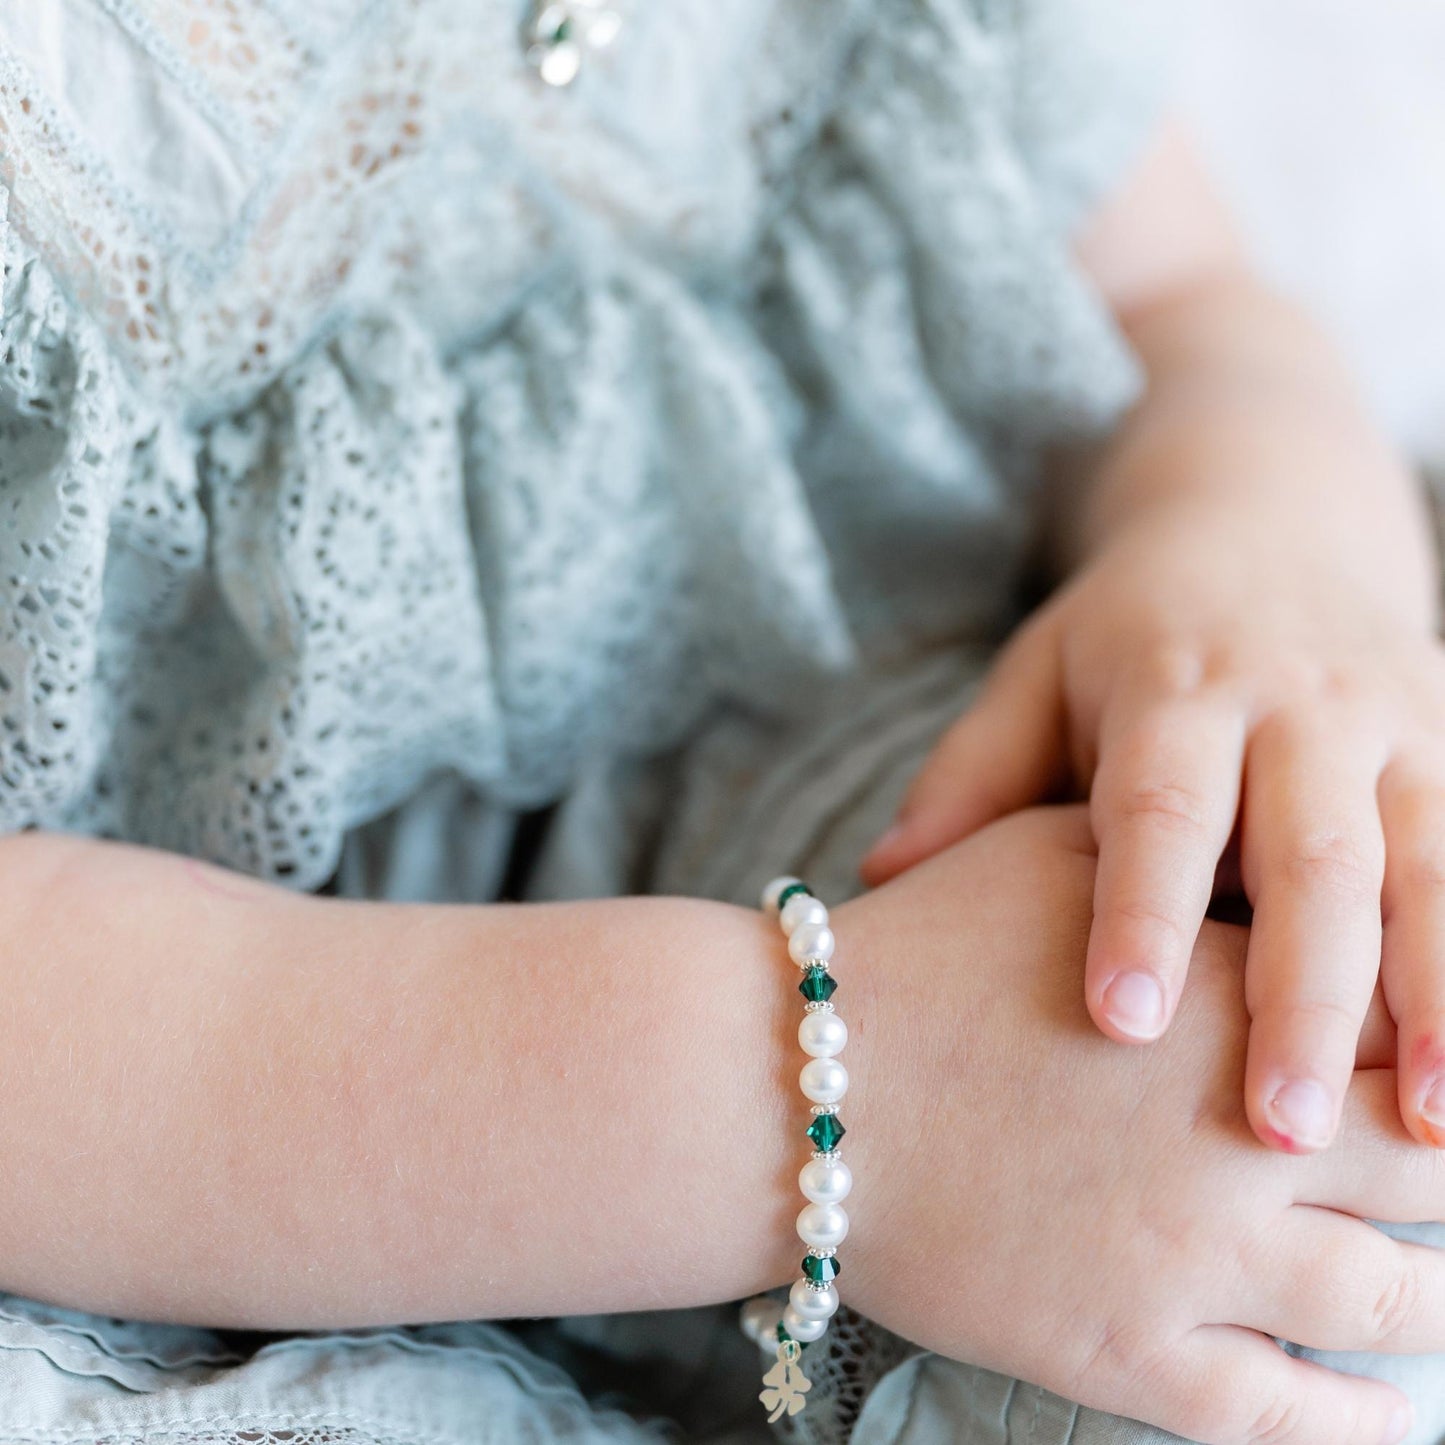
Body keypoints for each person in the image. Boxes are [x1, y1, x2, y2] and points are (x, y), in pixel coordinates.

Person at [0, 3, 1442, 1444]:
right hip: (183, 1125)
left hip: (919, 761)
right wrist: (821, 1091)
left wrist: (1263, 548)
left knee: (1330, 1127)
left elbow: (1175, 302)